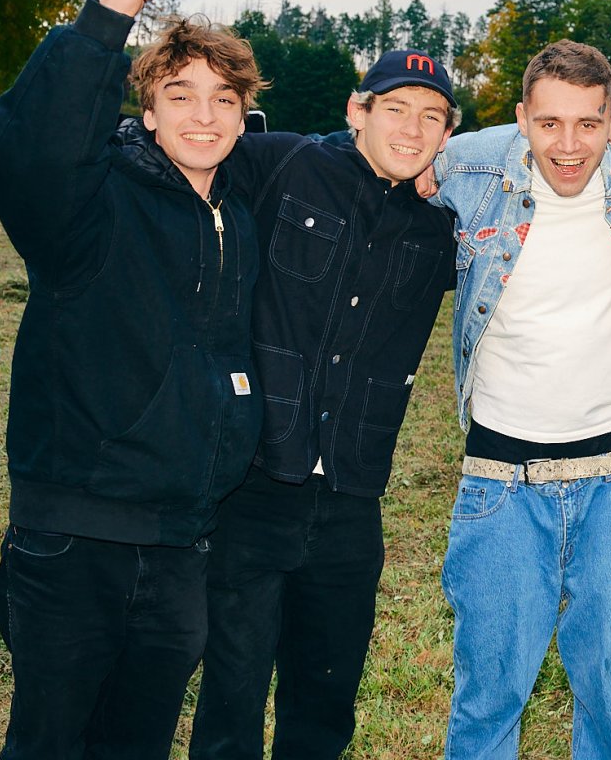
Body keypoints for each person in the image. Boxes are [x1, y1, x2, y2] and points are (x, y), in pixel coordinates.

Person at [0, 0, 264, 758]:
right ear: (146, 112)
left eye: (223, 99)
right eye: (180, 95)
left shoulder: (237, 215)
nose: (203, 116)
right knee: (49, 743)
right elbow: (32, 148)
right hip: (74, 539)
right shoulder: (89, 206)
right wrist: (107, 17)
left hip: (181, 543)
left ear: (244, 116)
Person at [429, 39, 611, 760]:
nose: (569, 145)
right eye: (549, 123)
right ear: (521, 118)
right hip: (500, 480)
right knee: (489, 693)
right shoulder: (473, 167)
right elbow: (387, 152)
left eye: (588, 123)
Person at [188, 49, 459, 757]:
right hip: (254, 485)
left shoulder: (439, 227)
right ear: (356, 111)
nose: (412, 130)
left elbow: (542, 165)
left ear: (448, 134)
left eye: (432, 117)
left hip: (351, 494)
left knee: (326, 703)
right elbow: (178, 145)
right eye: (394, 109)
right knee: (232, 695)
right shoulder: (285, 163)